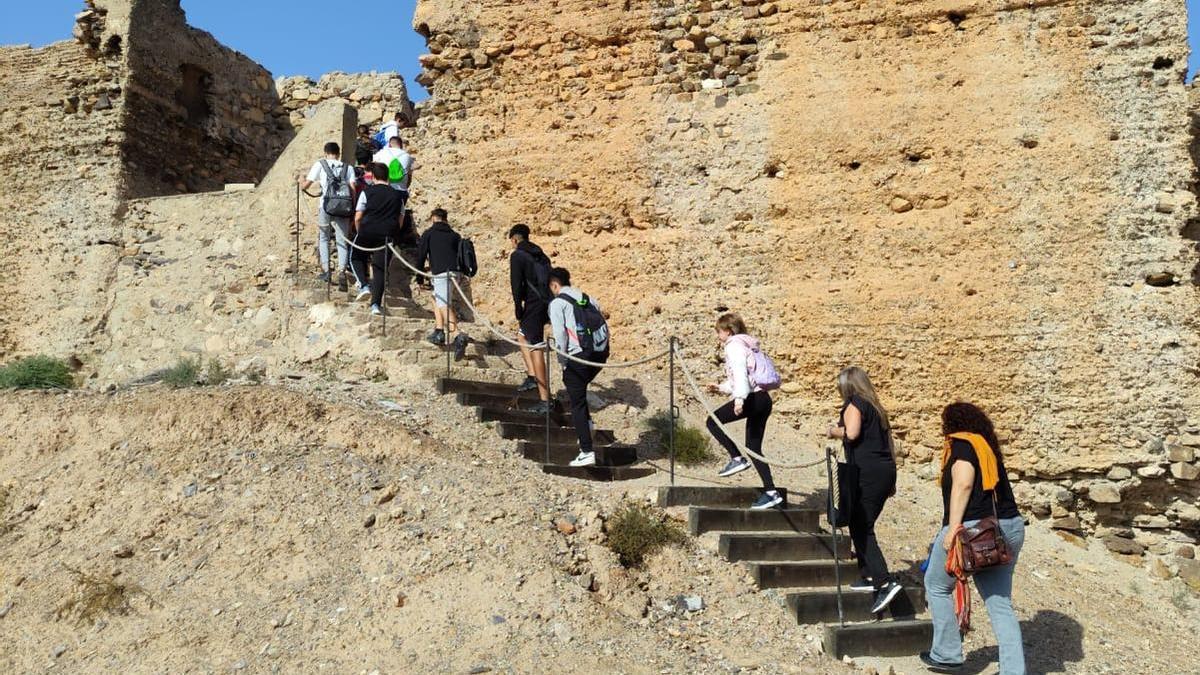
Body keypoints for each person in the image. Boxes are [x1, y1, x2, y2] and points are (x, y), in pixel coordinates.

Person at [921, 402, 1025, 674]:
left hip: (973, 530)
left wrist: (953, 528)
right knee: (1000, 603)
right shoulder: (986, 447)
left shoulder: (962, 444)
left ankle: (947, 654)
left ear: (951, 424)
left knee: (936, 586)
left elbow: (964, 481)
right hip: (1009, 527)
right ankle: (1014, 670)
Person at [825, 366, 902, 614]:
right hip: (883, 469)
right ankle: (868, 575)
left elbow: (853, 433)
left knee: (862, 526)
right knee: (861, 522)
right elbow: (890, 444)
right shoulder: (877, 408)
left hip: (867, 470)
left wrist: (834, 431)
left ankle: (884, 582)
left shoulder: (855, 403)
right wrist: (893, 479)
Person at [705, 314, 782, 510]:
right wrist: (721, 388)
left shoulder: (733, 345)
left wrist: (739, 399)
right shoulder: (749, 345)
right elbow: (747, 378)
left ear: (728, 331)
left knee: (712, 422)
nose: (717, 335)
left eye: (719, 331)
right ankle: (771, 492)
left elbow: (740, 374)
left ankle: (736, 458)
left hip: (751, 399)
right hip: (763, 400)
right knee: (754, 448)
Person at [548, 267, 609, 467]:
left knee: (577, 402)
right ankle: (588, 425)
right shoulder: (586, 297)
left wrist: (562, 360)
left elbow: (560, 335)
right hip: (600, 355)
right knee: (579, 391)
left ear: (554, 285)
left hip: (578, 355)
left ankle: (586, 450)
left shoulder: (558, 303)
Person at [508, 224, 553, 414]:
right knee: (522, 336)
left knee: (535, 346)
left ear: (514, 239)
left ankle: (545, 399)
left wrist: (518, 308)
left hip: (533, 305)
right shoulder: (542, 256)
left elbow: (516, 285)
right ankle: (532, 375)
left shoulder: (517, 255)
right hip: (545, 303)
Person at [298, 142, 354, 290]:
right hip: (344, 207)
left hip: (326, 206)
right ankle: (342, 271)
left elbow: (305, 186)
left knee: (324, 237)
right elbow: (353, 189)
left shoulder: (320, 164)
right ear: (338, 153)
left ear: (325, 152)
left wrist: (301, 179)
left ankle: (326, 271)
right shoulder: (348, 168)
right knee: (342, 240)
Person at [350, 163, 405, 316]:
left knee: (355, 257)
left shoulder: (367, 192)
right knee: (380, 270)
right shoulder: (398, 196)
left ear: (373, 176)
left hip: (367, 231)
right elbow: (400, 219)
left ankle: (363, 285)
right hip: (387, 236)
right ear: (387, 176)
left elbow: (358, 216)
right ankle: (375, 305)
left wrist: (359, 231)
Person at [416, 208, 469, 359]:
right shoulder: (455, 235)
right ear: (445, 219)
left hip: (441, 273)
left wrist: (419, 278)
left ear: (433, 218)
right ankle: (439, 331)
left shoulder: (429, 233)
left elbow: (420, 256)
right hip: (456, 273)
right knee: (435, 298)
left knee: (443, 304)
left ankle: (458, 334)